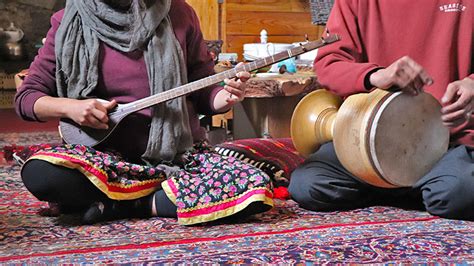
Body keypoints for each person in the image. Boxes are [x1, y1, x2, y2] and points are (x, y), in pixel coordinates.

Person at [15, 0, 273, 225]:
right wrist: (70, 107)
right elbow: (27, 98)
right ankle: (159, 198)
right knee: (41, 174)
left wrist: (225, 97)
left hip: (177, 158)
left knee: (254, 187)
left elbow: (204, 88)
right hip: (105, 160)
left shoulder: (179, 13)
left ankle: (125, 203)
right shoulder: (68, 21)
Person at [289, 0, 473, 220]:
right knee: (308, 185)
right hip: (363, 146)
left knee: (460, 192)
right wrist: (376, 76)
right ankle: (416, 189)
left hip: (448, 145)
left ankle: (404, 187)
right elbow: (329, 63)